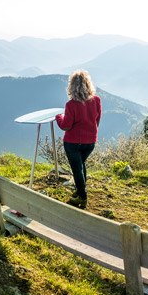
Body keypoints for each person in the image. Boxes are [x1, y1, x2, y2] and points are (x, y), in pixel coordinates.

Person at [55, 70, 101, 208]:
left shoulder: (71, 105)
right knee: (81, 166)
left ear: (72, 86)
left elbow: (66, 126)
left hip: (73, 143)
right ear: (88, 84)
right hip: (90, 142)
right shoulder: (96, 100)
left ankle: (82, 197)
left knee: (77, 169)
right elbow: (97, 120)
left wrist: (59, 117)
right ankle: (80, 190)